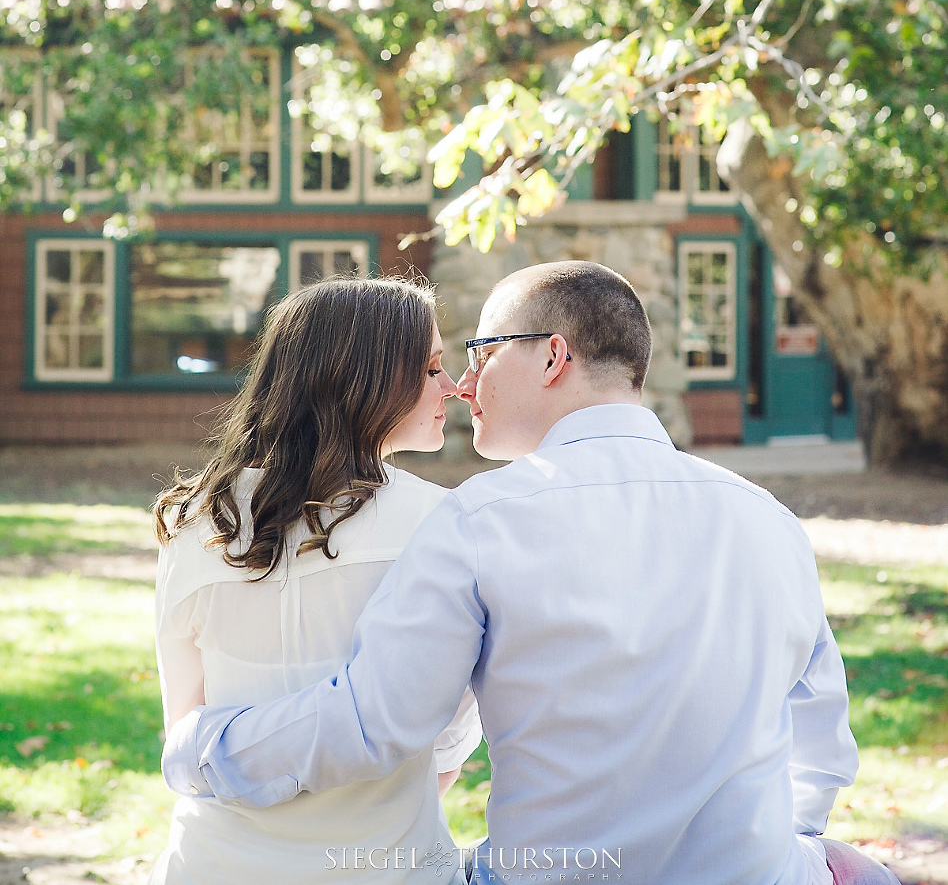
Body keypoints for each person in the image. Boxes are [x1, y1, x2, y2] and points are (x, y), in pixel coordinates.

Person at [161, 260, 897, 885]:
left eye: (480, 353)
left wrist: (201, 749)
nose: (463, 383)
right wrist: (779, 851)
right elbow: (820, 731)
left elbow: (376, 720)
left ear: (552, 357)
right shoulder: (766, 517)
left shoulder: (482, 519)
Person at [148, 275, 481, 885]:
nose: (456, 387)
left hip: (214, 863)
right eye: (434, 369)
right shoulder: (443, 523)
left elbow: (189, 736)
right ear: (367, 380)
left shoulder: (195, 523)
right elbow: (447, 738)